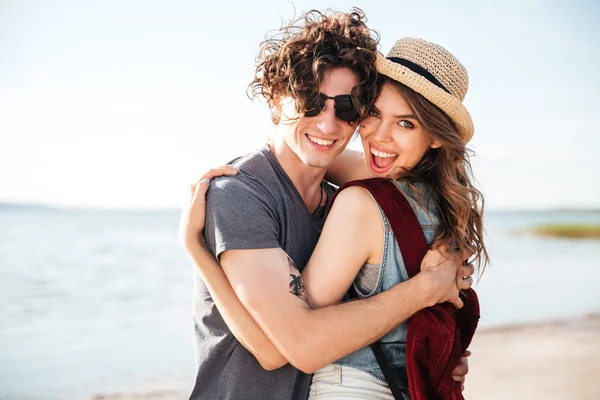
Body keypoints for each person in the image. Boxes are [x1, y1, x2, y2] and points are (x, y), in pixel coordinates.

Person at [179, 9, 473, 400]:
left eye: (350, 109)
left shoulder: (346, 199)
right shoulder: (239, 194)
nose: (329, 124)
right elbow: (276, 352)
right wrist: (196, 249)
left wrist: (438, 353)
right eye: (310, 100)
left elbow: (397, 176)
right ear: (275, 98)